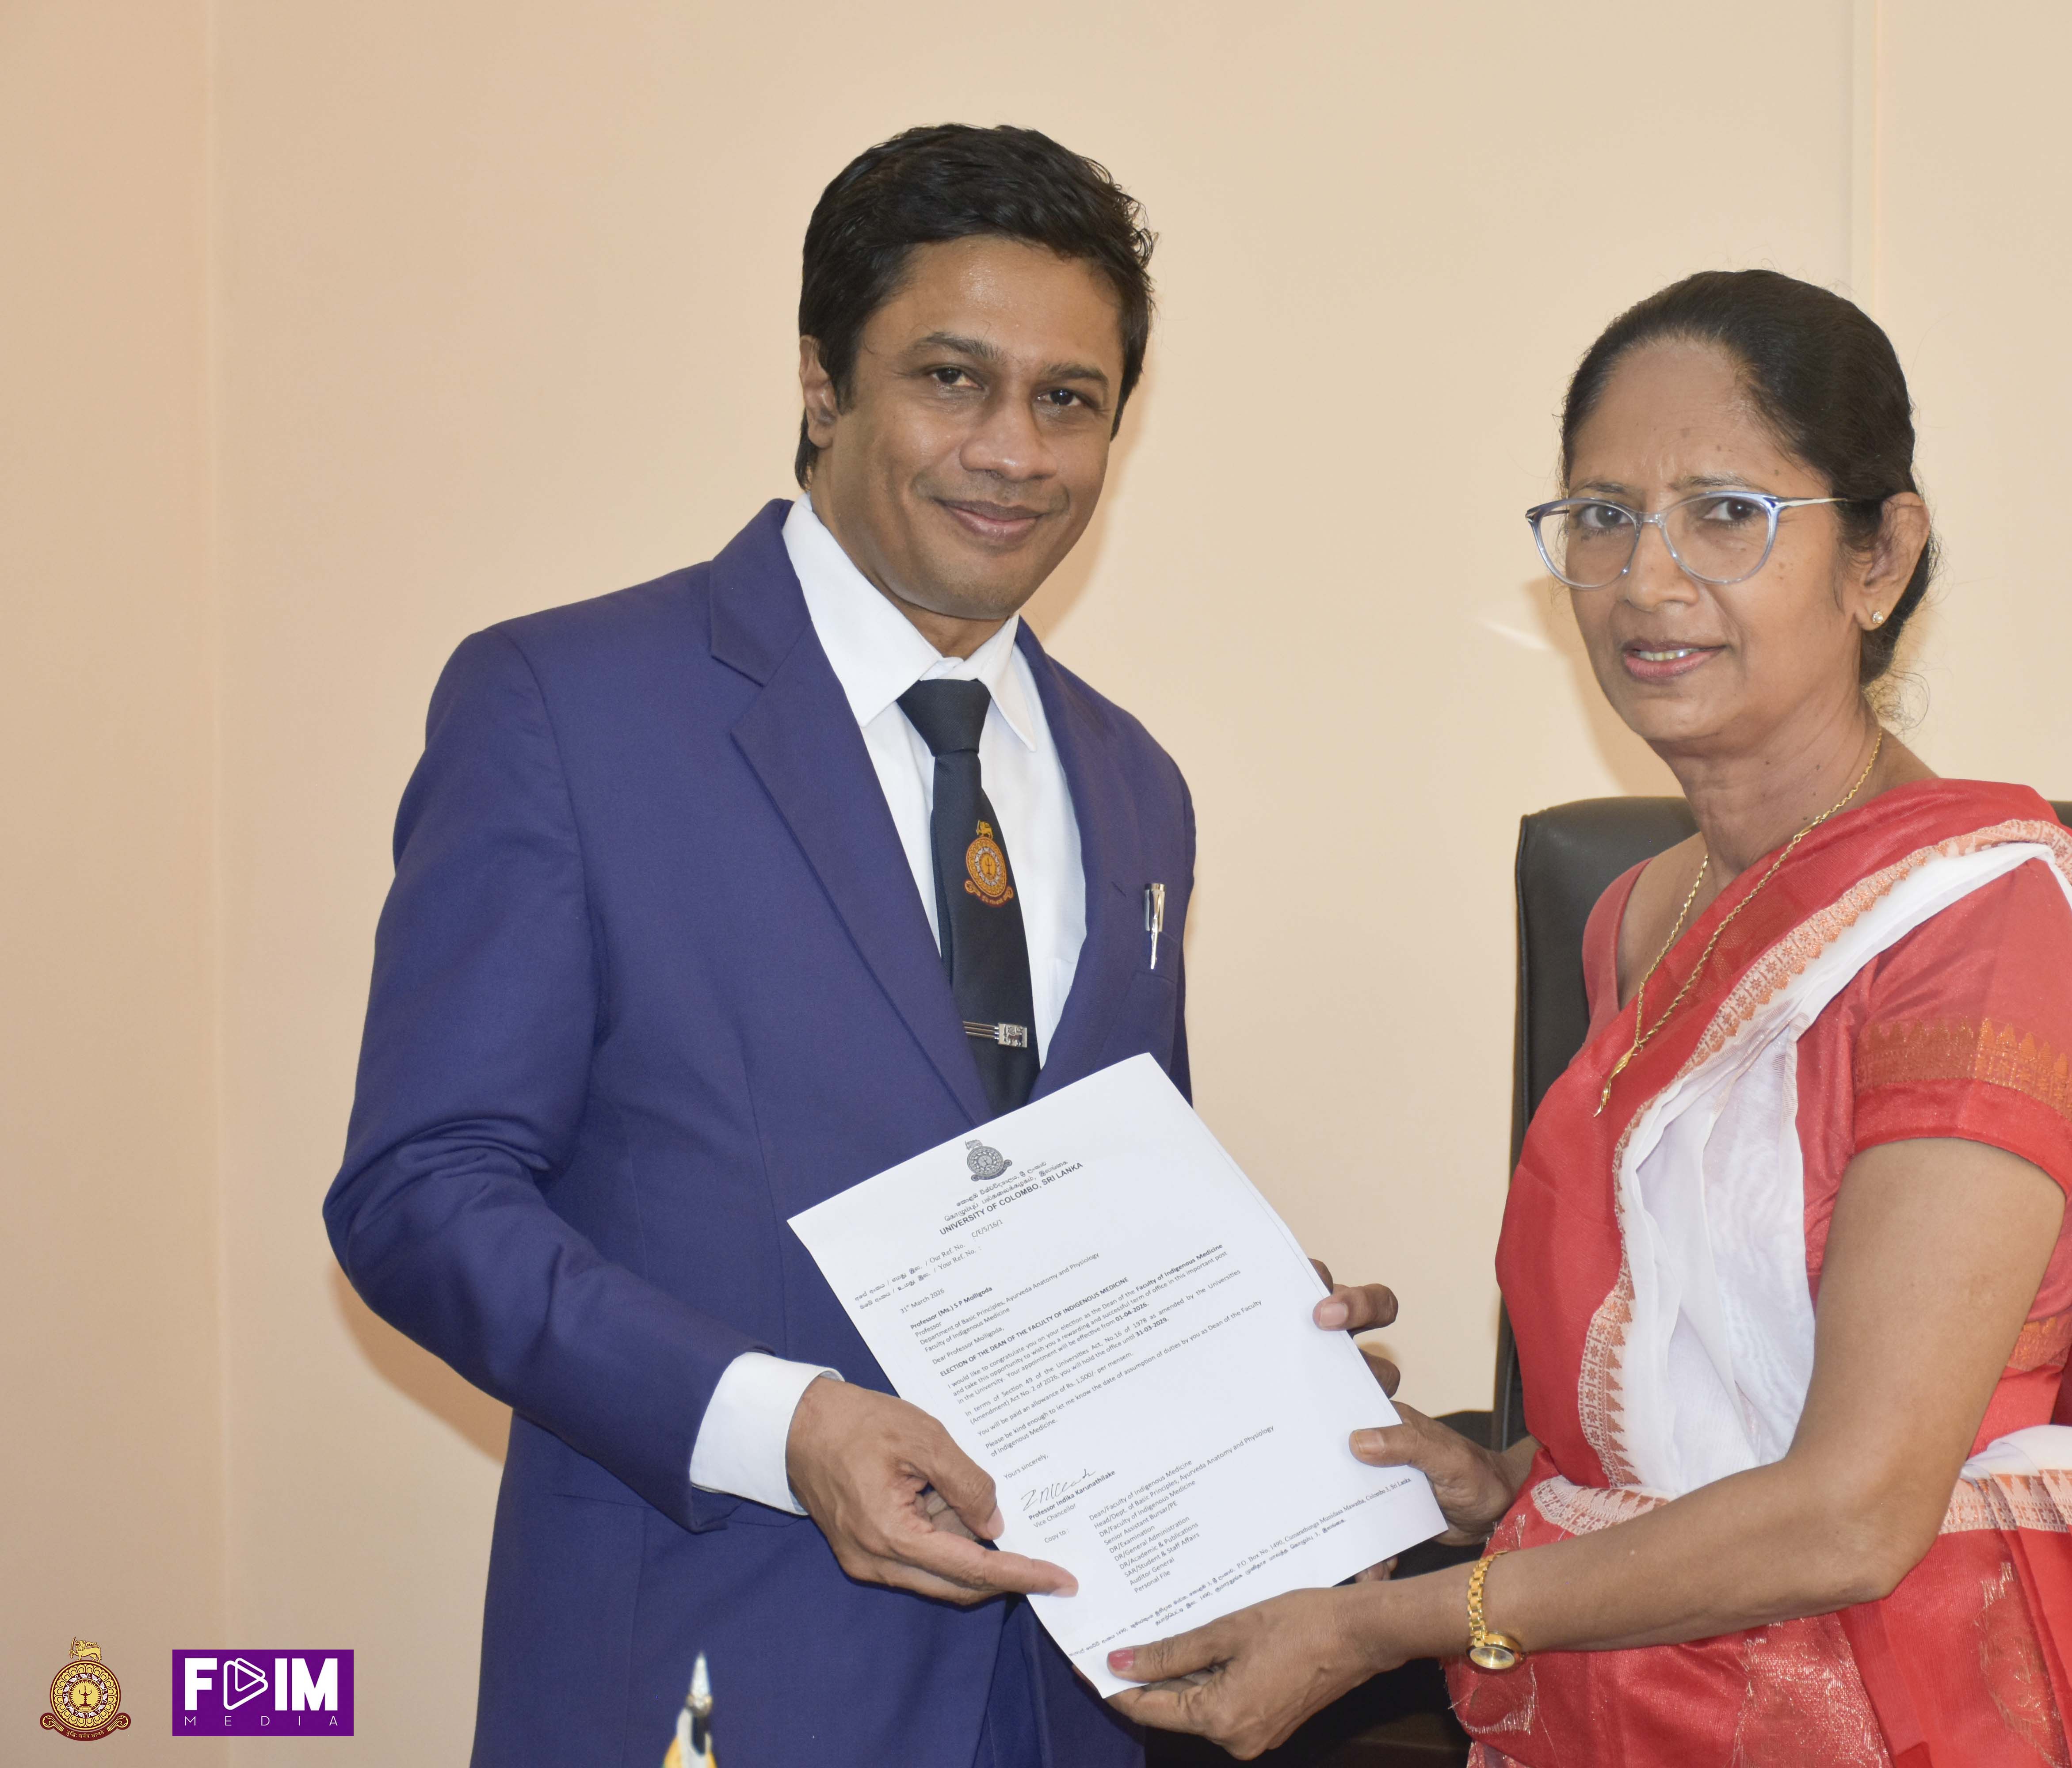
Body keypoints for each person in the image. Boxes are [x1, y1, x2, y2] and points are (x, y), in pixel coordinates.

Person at [1107, 270, 2072, 1766]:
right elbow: (1686, 1391)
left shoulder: (1988, 926)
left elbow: (1855, 1508)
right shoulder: (1635, 915)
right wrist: (1501, 1487)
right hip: (1620, 1689)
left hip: (1912, 1700)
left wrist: (1379, 1626)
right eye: (1601, 518)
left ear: (1881, 555)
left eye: (1727, 513)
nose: (1649, 582)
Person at [323, 124, 1397, 1767]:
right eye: (952, 378)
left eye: (1069, 399)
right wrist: (784, 1426)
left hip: (1076, 1699)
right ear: (823, 380)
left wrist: (1250, 1338)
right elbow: (420, 1193)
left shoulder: (1136, 785)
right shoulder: (563, 707)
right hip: (707, 1674)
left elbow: (1086, 1193)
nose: (1014, 452)